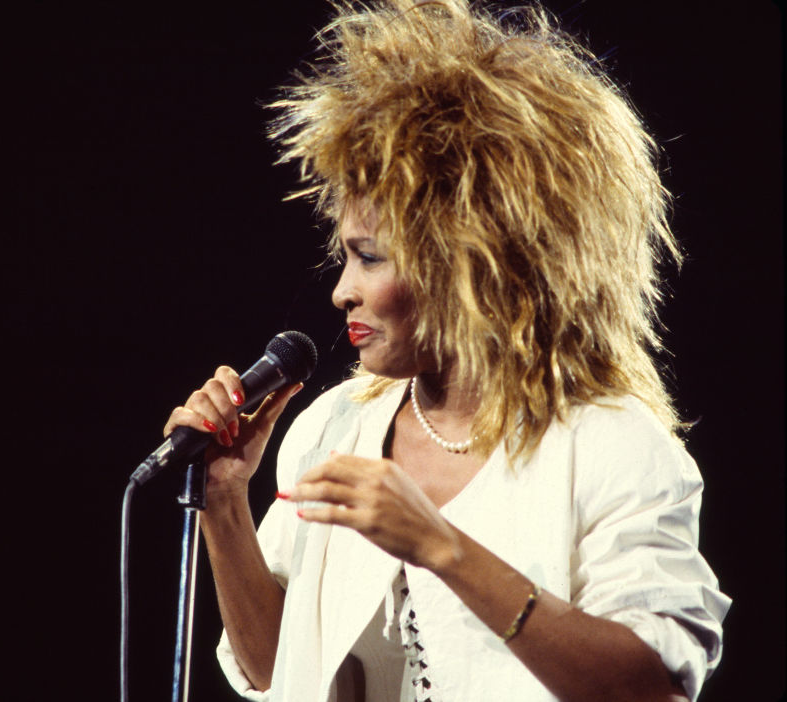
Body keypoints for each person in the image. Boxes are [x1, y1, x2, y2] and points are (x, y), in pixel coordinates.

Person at [162, 1, 729, 700]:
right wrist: (223, 503)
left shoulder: (613, 446)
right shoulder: (334, 428)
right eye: (346, 257)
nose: (342, 292)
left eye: (370, 257)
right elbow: (278, 670)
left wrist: (443, 547)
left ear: (473, 262)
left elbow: (654, 685)